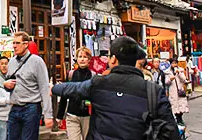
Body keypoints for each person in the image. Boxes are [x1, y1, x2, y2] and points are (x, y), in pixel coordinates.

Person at [52, 36, 180, 140]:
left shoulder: (98, 83)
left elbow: (71, 89)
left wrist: (53, 88)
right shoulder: (154, 91)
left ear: (113, 59)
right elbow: (171, 132)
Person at [4, 31, 53, 140]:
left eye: (17, 43)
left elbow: (44, 88)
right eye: (13, 43)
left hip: (31, 108)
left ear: (26, 44)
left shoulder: (37, 62)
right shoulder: (11, 62)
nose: (14, 46)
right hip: (15, 107)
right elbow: (9, 83)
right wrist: (6, 85)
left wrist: (48, 115)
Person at [56, 47, 93, 140]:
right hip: (72, 115)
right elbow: (64, 95)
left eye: (85, 57)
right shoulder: (71, 75)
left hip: (88, 116)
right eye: (80, 56)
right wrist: (60, 116)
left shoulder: (93, 76)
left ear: (89, 59)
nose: (82, 59)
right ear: (76, 59)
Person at [165, 58, 189, 125]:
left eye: (175, 63)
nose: (174, 65)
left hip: (180, 90)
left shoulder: (180, 70)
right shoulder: (167, 72)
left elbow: (184, 79)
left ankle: (180, 118)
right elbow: (166, 82)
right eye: (173, 63)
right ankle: (177, 119)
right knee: (174, 105)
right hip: (173, 91)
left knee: (181, 105)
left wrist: (179, 74)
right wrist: (170, 79)